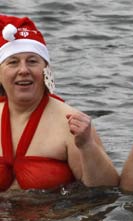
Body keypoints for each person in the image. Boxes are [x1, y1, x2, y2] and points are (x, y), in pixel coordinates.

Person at [0, 15, 119, 191]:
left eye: (32, 61)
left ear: (47, 70)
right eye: (13, 62)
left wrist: (87, 146)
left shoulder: (71, 124)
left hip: (55, 217)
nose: (23, 70)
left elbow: (108, 190)